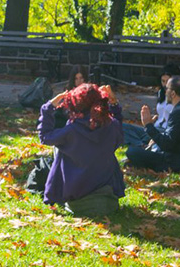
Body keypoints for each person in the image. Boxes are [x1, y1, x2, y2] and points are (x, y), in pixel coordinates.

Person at [38, 83, 125, 216]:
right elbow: (119, 130)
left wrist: (48, 107)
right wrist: (114, 104)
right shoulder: (111, 125)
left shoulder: (71, 131)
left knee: (58, 149)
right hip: (108, 199)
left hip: (77, 199)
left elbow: (45, 137)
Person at [126, 75, 180, 173]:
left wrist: (148, 125)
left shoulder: (179, 112)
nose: (165, 92)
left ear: (173, 93)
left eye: (167, 88)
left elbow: (166, 145)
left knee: (132, 151)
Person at [122, 62, 180, 147]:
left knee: (155, 141)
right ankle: (142, 144)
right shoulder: (161, 93)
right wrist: (153, 120)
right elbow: (162, 113)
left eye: (168, 81)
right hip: (155, 127)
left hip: (167, 132)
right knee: (121, 127)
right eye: (163, 81)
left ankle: (143, 144)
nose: (165, 85)